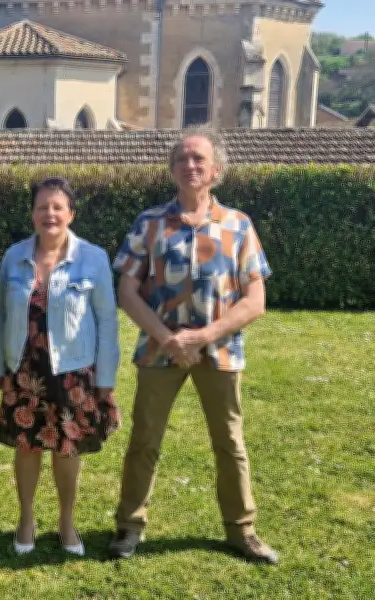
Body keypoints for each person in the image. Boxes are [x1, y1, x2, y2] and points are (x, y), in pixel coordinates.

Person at [107, 130, 278, 564]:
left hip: (219, 352)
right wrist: (169, 339)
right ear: (172, 170)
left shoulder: (239, 225)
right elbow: (126, 291)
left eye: (199, 158)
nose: (190, 164)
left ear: (216, 170)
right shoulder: (149, 223)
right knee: (144, 440)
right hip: (158, 351)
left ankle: (243, 531)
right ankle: (129, 526)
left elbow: (255, 300)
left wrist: (201, 338)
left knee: (230, 443)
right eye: (182, 158)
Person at [0, 177, 121, 556]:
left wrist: (106, 377)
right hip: (24, 367)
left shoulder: (93, 258)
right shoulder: (14, 256)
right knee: (27, 446)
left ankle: (66, 521)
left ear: (71, 213)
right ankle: (26, 519)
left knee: (67, 447)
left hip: (73, 368)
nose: (50, 214)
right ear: (32, 214)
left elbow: (108, 320)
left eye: (57, 207)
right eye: (42, 207)